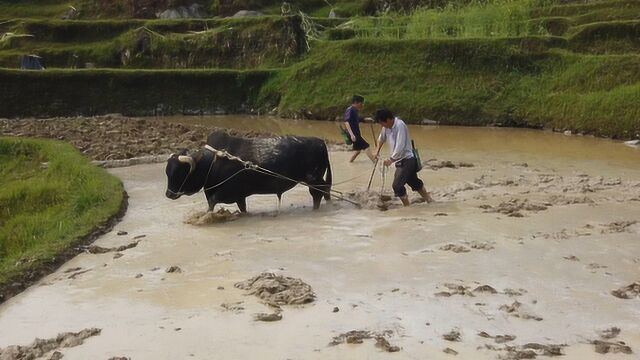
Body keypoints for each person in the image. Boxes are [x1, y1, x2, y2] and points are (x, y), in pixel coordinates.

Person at [374, 108, 434, 206]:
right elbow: (381, 139)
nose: (382, 126)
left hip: (407, 160)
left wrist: (391, 159)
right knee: (413, 181)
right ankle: (429, 200)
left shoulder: (400, 125)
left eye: (382, 123)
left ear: (388, 120)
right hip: (399, 160)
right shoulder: (386, 127)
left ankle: (407, 207)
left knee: (397, 186)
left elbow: (400, 146)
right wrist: (377, 150)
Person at [343, 95, 375, 163]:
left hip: (355, 133)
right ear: (356, 102)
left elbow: (358, 119)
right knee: (366, 146)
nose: (362, 105)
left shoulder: (355, 110)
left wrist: (366, 119)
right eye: (361, 103)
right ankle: (375, 162)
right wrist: (352, 135)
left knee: (358, 150)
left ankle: (350, 163)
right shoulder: (350, 109)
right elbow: (346, 122)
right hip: (353, 134)